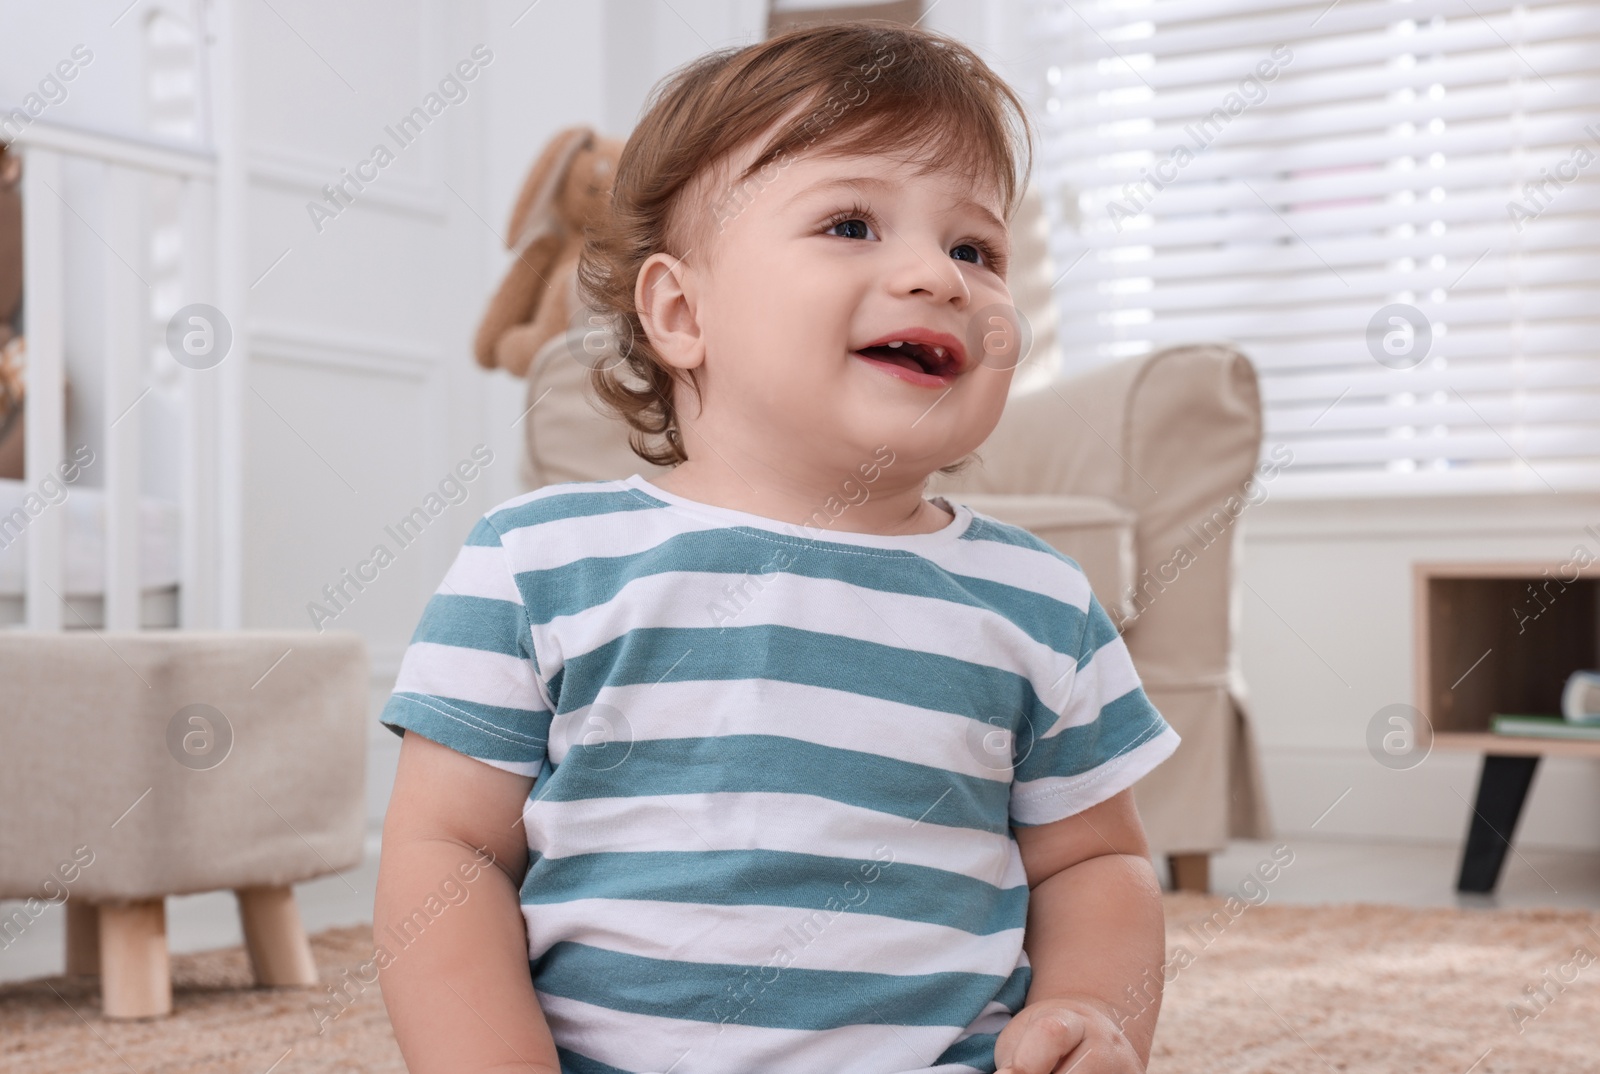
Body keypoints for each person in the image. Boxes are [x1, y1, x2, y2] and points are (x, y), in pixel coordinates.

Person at [373, 19, 1181, 1074]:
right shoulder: (536, 564)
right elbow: (452, 852)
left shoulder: (1037, 601)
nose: (938, 277)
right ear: (680, 311)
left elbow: (1096, 861)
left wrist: (1087, 1010)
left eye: (974, 248)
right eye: (850, 223)